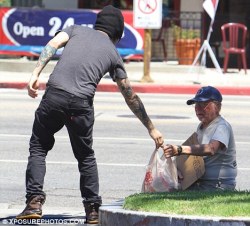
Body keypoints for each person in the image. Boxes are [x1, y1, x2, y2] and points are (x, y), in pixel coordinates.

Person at [16, 5, 164, 224]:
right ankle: (92, 211)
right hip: (81, 105)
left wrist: (35, 74)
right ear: (118, 33)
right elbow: (130, 95)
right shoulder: (114, 54)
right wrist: (151, 128)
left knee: (38, 147)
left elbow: (53, 44)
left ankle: (33, 203)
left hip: (54, 96)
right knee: (85, 157)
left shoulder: (75, 30)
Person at [163, 86, 237, 191]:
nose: (198, 108)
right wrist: (177, 168)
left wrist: (180, 150)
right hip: (200, 181)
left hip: (218, 185)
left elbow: (211, 149)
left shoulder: (222, 126)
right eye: (196, 104)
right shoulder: (202, 126)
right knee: (164, 186)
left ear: (216, 106)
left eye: (203, 104)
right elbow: (195, 155)